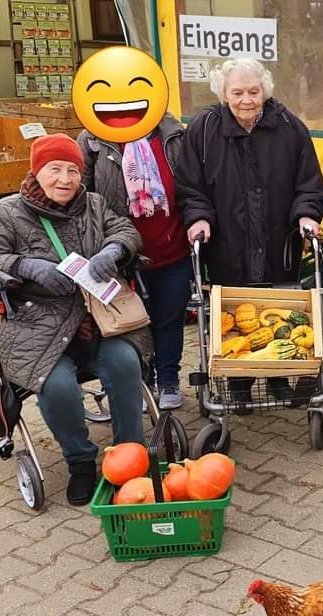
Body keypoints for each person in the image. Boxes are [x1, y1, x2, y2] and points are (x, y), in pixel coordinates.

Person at [0, 134, 150, 505]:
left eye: (73, 170)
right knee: (57, 386)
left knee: (126, 362)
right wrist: (21, 265)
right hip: (36, 328)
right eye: (54, 169)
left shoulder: (93, 204)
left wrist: (115, 248)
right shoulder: (7, 213)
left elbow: (125, 230)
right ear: (36, 171)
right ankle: (80, 461)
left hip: (96, 320)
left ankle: (130, 456)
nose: (65, 179)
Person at [175, 57, 323, 406]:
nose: (246, 99)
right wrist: (197, 217)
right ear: (223, 93)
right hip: (227, 243)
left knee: (272, 310)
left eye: (253, 91)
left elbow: (310, 184)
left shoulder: (290, 127)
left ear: (265, 90)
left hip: (279, 242)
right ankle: (237, 384)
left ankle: (276, 380)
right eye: (238, 92)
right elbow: (189, 185)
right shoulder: (203, 129)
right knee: (232, 316)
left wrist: (306, 215)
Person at [78, 112, 188, 410]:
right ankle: (142, 381)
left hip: (172, 246)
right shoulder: (92, 140)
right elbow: (82, 198)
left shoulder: (173, 134)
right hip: (120, 255)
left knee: (169, 318)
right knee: (133, 323)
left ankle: (168, 380)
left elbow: (192, 186)